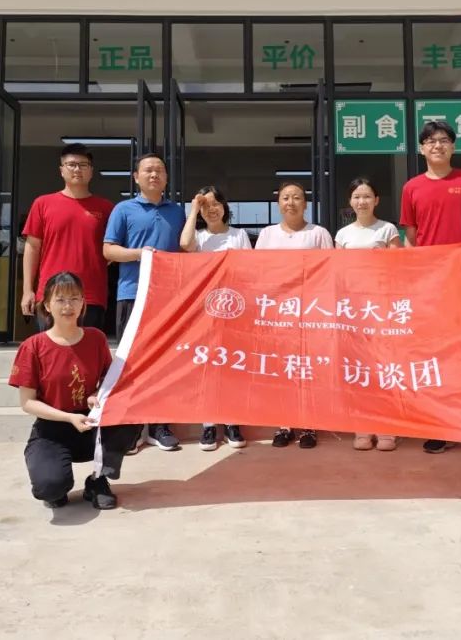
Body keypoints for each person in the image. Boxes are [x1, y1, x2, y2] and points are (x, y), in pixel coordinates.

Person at [399, 119, 461, 453]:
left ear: (453, 146)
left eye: (443, 140)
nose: (437, 145)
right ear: (421, 149)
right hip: (429, 285)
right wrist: (413, 278)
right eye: (430, 141)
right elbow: (411, 239)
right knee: (433, 354)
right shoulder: (412, 188)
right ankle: (440, 425)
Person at [9, 271, 140, 511]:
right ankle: (57, 482)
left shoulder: (96, 339)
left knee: (131, 415)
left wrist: (95, 395)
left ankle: (98, 480)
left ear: (83, 304)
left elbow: (109, 380)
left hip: (90, 423)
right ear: (47, 305)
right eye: (60, 300)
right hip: (52, 428)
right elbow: (27, 402)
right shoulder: (33, 347)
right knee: (50, 488)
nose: (68, 306)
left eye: (74, 299)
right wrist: (68, 417)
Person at [103, 153, 187, 452]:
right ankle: (134, 426)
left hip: (168, 299)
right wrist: (141, 254)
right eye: (148, 170)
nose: (154, 175)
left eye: (159, 170)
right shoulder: (123, 210)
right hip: (132, 294)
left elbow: (185, 250)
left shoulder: (177, 212)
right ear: (136, 177)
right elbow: (109, 251)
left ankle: (161, 425)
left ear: (166, 178)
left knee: (165, 362)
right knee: (132, 362)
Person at [255, 180, 334, 449]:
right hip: (278, 311)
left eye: (297, 197)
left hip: (310, 310)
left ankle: (309, 425)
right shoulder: (267, 234)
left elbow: (330, 271)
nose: (291, 202)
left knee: (307, 367)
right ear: (279, 203)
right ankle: (284, 424)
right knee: (282, 368)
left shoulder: (318, 233)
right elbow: (258, 271)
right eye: (286, 197)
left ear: (306, 203)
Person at [180, 185, 251, 451]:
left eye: (215, 203)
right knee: (207, 367)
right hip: (204, 312)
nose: (211, 209)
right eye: (205, 205)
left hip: (235, 310)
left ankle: (232, 422)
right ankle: (208, 424)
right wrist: (193, 209)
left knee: (232, 366)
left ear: (224, 206)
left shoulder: (239, 235)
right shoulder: (198, 238)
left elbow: (250, 271)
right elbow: (184, 244)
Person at [334, 177, 401, 452]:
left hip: (381, 307)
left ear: (376, 200)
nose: (362, 201)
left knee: (384, 367)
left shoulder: (387, 230)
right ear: (350, 202)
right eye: (357, 196)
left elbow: (398, 267)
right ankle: (362, 427)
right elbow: (337, 273)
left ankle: (387, 428)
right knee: (359, 368)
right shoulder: (342, 235)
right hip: (354, 309)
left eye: (367, 196)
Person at [20, 143, 114, 331]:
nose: (77, 169)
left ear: (91, 171)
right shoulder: (42, 204)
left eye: (83, 165)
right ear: (61, 170)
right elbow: (32, 248)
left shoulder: (106, 208)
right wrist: (27, 290)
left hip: (90, 295)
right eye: (71, 165)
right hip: (51, 294)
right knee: (51, 348)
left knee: (87, 348)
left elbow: (112, 250)